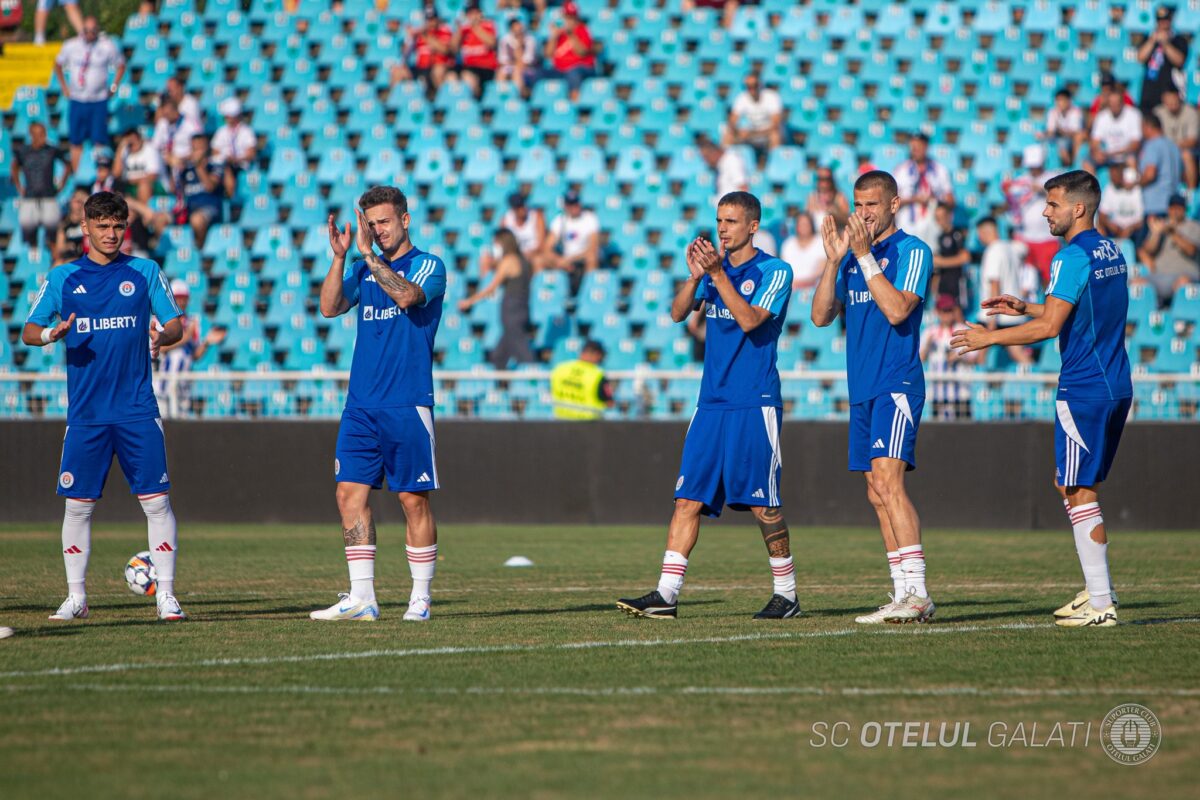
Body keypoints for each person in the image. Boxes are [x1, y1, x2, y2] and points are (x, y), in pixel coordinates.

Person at [951, 170, 1131, 628]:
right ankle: (1097, 591)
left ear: (1077, 208)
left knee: (1078, 489)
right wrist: (1027, 307)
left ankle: (1100, 602)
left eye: (1052, 204)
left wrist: (989, 338)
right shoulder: (1111, 250)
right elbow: (1078, 310)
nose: (1044, 211)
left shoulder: (1070, 255)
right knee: (1071, 485)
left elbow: (1052, 328)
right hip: (1115, 382)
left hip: (1084, 386)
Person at [617, 191, 798, 620]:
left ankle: (787, 594)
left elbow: (752, 320)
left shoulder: (775, 270)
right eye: (719, 220)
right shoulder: (714, 269)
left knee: (763, 503)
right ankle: (666, 594)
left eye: (731, 221)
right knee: (687, 499)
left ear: (752, 226)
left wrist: (718, 277)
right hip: (710, 403)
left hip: (754, 402)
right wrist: (694, 275)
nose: (722, 228)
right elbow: (679, 313)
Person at [21, 191, 187, 623]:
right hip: (86, 414)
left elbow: (175, 325)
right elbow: (28, 331)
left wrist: (160, 337)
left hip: (136, 408)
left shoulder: (145, 271)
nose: (111, 234)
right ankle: (76, 598)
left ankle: (166, 595)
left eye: (118, 227)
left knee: (156, 501)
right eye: (103, 226)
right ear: (86, 228)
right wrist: (50, 336)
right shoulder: (62, 278)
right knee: (77, 506)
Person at [315, 186, 448, 623]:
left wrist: (370, 258)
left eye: (384, 222)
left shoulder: (429, 265)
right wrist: (340, 259)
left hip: (407, 402)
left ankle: (421, 597)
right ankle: (362, 598)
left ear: (405, 220)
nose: (377, 230)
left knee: (412, 500)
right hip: (361, 404)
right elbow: (330, 307)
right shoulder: (358, 266)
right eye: (371, 223)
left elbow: (408, 296)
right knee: (347, 493)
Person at [811, 170, 936, 624]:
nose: (863, 214)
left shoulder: (912, 250)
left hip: (896, 382)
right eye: (858, 205)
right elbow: (821, 316)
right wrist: (832, 261)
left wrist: (864, 258)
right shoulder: (850, 257)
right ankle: (903, 592)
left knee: (888, 482)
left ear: (893, 205)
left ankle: (919, 592)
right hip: (862, 387)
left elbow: (899, 307)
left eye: (872, 205)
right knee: (874, 490)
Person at [53, 16, 125, 172]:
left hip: (98, 101)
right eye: (86, 30)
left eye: (93, 31)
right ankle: (77, 175)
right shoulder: (71, 45)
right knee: (76, 141)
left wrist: (113, 87)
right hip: (77, 100)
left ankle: (100, 174)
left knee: (99, 140)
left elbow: (121, 65)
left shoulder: (107, 46)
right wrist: (64, 87)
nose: (90, 34)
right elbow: (58, 64)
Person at [459, 228, 535, 368]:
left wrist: (470, 301)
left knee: (523, 353)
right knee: (499, 355)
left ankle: (534, 380)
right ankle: (498, 381)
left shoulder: (509, 260)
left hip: (512, 310)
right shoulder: (523, 260)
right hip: (521, 309)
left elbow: (490, 288)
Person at [156, 279, 226, 417]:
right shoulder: (160, 319)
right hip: (165, 384)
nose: (182, 302)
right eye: (178, 298)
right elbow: (160, 348)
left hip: (184, 384)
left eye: (184, 298)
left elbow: (194, 355)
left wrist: (206, 342)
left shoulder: (192, 322)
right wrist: (185, 336)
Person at [977, 216, 1037, 366]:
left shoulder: (993, 250)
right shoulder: (1010, 248)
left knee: (979, 352)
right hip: (1013, 313)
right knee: (1018, 354)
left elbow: (994, 283)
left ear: (984, 232)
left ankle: (977, 387)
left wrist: (992, 318)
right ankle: (1040, 383)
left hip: (998, 314)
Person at [1003, 144, 1059, 284]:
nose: (1033, 169)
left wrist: (1040, 190)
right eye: (1031, 166)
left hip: (1047, 238)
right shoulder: (1021, 180)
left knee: (1050, 280)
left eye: (1036, 166)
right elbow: (1011, 204)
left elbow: (1061, 198)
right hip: (1024, 237)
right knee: (1025, 281)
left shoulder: (1054, 178)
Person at [12, 121, 72, 250]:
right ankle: (32, 255)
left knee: (52, 228)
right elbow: (14, 166)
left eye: (43, 134)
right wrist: (19, 186)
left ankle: (52, 253)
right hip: (29, 196)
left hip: (48, 195)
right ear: (31, 135)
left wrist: (61, 185)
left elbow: (68, 165)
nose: (42, 137)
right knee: (27, 226)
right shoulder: (23, 151)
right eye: (38, 134)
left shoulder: (51, 150)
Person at [920, 295, 979, 421]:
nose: (946, 314)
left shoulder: (963, 331)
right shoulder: (930, 332)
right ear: (937, 312)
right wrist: (928, 345)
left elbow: (975, 359)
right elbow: (921, 358)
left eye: (949, 310)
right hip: (938, 393)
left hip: (961, 392)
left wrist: (959, 357)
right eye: (943, 311)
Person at [894, 132, 954, 249]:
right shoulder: (901, 170)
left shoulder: (940, 169)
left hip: (932, 223)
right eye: (913, 146)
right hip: (907, 223)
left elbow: (951, 200)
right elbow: (892, 201)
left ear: (926, 147)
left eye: (919, 146)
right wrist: (914, 199)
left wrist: (934, 200)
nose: (915, 150)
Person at [1137, 194, 1200, 304]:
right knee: (1136, 284)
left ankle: (1180, 319)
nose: (1175, 211)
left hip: (1185, 274)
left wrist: (1173, 233)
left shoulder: (1194, 226)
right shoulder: (1161, 225)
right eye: (1172, 207)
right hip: (1159, 275)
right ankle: (1135, 320)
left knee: (1182, 284)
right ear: (1168, 209)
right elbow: (1147, 251)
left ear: (1184, 210)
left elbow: (1191, 250)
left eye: (1178, 207)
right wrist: (1155, 234)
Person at [543, 190, 600, 295]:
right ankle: (548, 294)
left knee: (592, 258)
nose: (574, 207)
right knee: (540, 260)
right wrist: (559, 260)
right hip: (565, 258)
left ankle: (588, 293)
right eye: (571, 205)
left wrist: (570, 259)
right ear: (565, 206)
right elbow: (547, 247)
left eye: (576, 204)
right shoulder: (560, 220)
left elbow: (593, 247)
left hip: (582, 256)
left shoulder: (590, 218)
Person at [392, 7, 456, 98]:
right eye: (428, 19)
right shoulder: (418, 34)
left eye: (433, 19)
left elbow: (445, 50)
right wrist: (409, 38)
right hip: (421, 67)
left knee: (439, 71)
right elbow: (404, 54)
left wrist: (425, 36)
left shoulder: (444, 31)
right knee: (397, 71)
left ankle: (442, 102)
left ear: (438, 19)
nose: (431, 22)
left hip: (438, 67)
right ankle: (395, 104)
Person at [1136, 5, 1189, 115]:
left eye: (1166, 20)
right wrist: (1152, 41)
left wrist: (1165, 43)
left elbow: (1179, 61)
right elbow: (1140, 58)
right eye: (1160, 20)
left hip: (1169, 91)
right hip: (1149, 92)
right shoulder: (1149, 39)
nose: (1163, 23)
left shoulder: (1178, 40)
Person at [722, 72, 785, 162]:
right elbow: (732, 121)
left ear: (760, 85)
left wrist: (753, 133)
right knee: (728, 135)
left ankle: (774, 164)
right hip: (751, 132)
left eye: (754, 86)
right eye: (748, 86)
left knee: (775, 135)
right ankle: (726, 163)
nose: (751, 90)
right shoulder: (741, 98)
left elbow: (775, 124)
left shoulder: (772, 97)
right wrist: (738, 131)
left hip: (766, 133)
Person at [177, 134, 224, 248]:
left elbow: (210, 187)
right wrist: (175, 168)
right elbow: (176, 190)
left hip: (209, 208)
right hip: (189, 209)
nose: (197, 152)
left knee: (196, 219)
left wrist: (199, 167)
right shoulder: (186, 170)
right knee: (161, 219)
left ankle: (199, 251)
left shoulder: (215, 166)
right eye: (194, 148)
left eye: (200, 148)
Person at [544, 1, 597, 100]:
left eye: (572, 17)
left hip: (581, 68)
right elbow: (548, 54)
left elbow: (582, 52)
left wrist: (570, 34)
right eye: (567, 17)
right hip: (560, 70)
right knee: (539, 74)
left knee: (573, 72)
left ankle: (574, 101)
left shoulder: (583, 30)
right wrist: (553, 36)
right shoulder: (559, 33)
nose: (570, 20)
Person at [550, 339, 612, 420]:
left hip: (561, 422)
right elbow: (609, 403)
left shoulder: (560, 369)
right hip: (589, 425)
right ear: (598, 355)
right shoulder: (597, 375)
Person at [1137, 113, 1183, 221]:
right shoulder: (1173, 146)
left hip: (1155, 206)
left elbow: (1150, 174)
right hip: (1172, 204)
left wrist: (1135, 184)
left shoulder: (1152, 145)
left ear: (1147, 126)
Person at [1086, 87, 1142, 171]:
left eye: (1117, 103)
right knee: (1087, 162)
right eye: (1111, 103)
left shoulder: (1134, 115)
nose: (1114, 106)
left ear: (1122, 102)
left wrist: (1114, 153)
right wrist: (1096, 152)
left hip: (1126, 155)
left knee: (1132, 160)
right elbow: (1095, 141)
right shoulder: (1102, 116)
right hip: (1107, 156)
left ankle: (1134, 183)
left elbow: (1135, 144)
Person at [210, 98, 257, 198]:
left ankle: (229, 197)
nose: (226, 118)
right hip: (222, 164)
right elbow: (215, 152)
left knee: (227, 168)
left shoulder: (246, 131)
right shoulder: (221, 131)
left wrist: (236, 159)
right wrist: (225, 158)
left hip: (240, 166)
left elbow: (251, 154)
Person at [1155, 89, 1198, 189]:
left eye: (1175, 103)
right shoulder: (1157, 113)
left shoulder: (1190, 112)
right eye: (1169, 104)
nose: (1173, 106)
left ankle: (1191, 193)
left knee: (1186, 155)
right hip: (1163, 149)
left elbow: (1192, 140)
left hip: (1184, 149)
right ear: (1164, 101)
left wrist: (1173, 147)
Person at [454, 1, 498, 99]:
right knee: (464, 78)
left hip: (487, 68)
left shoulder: (488, 25)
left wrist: (475, 27)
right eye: (469, 13)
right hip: (470, 67)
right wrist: (458, 31)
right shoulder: (464, 30)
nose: (472, 16)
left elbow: (492, 43)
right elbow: (453, 49)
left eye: (475, 12)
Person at [931, 201, 968, 307]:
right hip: (943, 284)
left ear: (949, 216)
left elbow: (965, 257)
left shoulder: (957, 234)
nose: (940, 221)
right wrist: (935, 287)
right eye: (937, 218)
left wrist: (940, 262)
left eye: (942, 217)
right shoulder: (939, 237)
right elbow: (937, 269)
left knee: (957, 313)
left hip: (956, 282)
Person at [113, 127, 163, 204]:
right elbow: (116, 173)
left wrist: (132, 181)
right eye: (129, 141)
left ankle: (146, 213)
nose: (132, 143)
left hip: (153, 187)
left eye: (134, 139)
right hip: (130, 189)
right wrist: (120, 148)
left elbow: (153, 176)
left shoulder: (150, 149)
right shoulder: (124, 151)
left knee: (143, 186)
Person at [151, 98, 203, 173]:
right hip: (166, 163)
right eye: (164, 114)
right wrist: (167, 158)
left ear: (175, 110)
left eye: (168, 114)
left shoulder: (191, 124)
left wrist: (182, 159)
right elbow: (155, 147)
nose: (166, 118)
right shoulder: (162, 124)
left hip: (187, 163)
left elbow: (200, 149)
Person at [497, 192, 546, 270]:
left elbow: (541, 245)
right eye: (518, 207)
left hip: (533, 254)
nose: (523, 209)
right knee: (487, 259)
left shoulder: (536, 217)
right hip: (514, 256)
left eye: (523, 204)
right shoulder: (505, 220)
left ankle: (537, 282)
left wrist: (527, 254)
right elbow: (502, 243)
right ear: (513, 209)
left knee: (538, 261)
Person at [1097, 164, 1145, 243]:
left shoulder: (1136, 190)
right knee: (1099, 228)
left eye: (1115, 175)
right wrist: (1110, 224)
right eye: (1111, 175)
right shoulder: (1110, 188)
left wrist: (1130, 228)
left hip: (1133, 231)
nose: (1112, 178)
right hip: (1115, 230)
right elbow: (1102, 215)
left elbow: (1140, 221)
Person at [779, 212, 825, 290]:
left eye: (806, 224)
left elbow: (822, 269)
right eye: (801, 224)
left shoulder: (820, 242)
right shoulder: (788, 244)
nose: (804, 227)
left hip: (814, 288)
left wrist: (802, 283)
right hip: (791, 288)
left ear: (811, 225)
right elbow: (783, 269)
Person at [696, 133, 749, 200]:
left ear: (714, 153)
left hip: (733, 207)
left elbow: (743, 188)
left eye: (706, 158)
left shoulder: (731, 160)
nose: (706, 162)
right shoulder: (720, 166)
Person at [1042, 88, 1086, 167]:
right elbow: (1050, 131)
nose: (1059, 103)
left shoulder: (1076, 111)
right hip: (1058, 139)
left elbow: (1075, 132)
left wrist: (1060, 131)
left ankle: (1075, 163)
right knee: (1056, 143)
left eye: (1061, 100)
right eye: (1057, 100)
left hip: (1071, 139)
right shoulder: (1052, 112)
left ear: (1068, 101)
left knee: (1079, 137)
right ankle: (1064, 165)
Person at [497, 16, 538, 96]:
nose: (518, 29)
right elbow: (503, 60)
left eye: (519, 26)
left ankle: (516, 98)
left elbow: (526, 62)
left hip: (529, 70)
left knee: (517, 72)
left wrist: (519, 46)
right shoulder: (505, 39)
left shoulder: (530, 40)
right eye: (514, 27)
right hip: (510, 67)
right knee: (501, 73)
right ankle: (501, 97)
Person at [806, 166, 851, 231]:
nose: (824, 182)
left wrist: (833, 210)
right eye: (821, 179)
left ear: (831, 180)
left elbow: (847, 219)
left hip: (835, 233)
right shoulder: (812, 197)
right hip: (816, 236)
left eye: (827, 179)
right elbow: (807, 219)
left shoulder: (839, 196)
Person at [54, 187, 89, 265]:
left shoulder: (87, 223)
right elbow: (59, 249)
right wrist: (68, 246)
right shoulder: (64, 224)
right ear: (71, 202)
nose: (78, 205)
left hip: (84, 258)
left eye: (81, 202)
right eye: (76, 201)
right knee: (57, 264)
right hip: (68, 259)